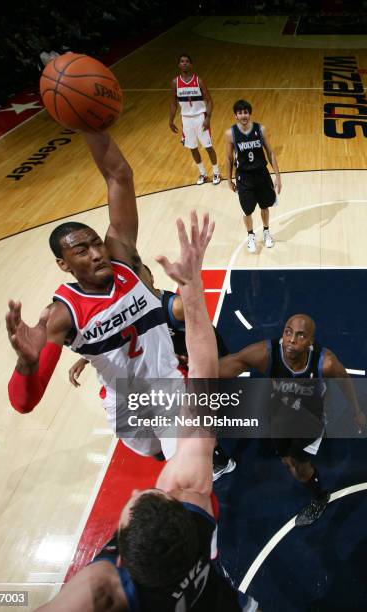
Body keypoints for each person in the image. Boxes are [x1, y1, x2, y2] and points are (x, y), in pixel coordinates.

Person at [35, 212, 259, 612]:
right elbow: (200, 363)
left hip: (168, 386)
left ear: (122, 558)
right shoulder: (195, 503)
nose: (140, 488)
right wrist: (193, 287)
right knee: (190, 434)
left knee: (213, 391)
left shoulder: (113, 589)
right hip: (160, 395)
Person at [6, 130, 183, 460]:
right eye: (81, 251)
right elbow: (24, 403)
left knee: (186, 469)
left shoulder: (125, 261)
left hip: (167, 388)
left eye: (96, 243)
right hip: (124, 401)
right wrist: (26, 364)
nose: (97, 253)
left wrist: (88, 124)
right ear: (63, 264)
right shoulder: (61, 315)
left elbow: (120, 176)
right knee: (157, 453)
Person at [68, 263, 236, 481]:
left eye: (139, 281)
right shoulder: (128, 310)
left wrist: (210, 363)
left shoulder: (174, 307)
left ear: (151, 278)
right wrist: (85, 358)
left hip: (185, 368)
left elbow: (207, 334)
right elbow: (120, 340)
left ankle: (220, 460)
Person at [219, 314, 366, 526]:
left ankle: (319, 497)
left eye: (300, 335)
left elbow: (344, 381)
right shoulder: (266, 354)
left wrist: (356, 411)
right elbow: (232, 363)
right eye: (288, 332)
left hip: (310, 421)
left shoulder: (325, 364)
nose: (291, 339)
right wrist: (192, 375)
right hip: (279, 414)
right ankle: (293, 461)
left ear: (310, 342)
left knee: (298, 466)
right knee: (286, 459)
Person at [225, 99, 282, 254]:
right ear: (235, 115)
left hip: (261, 174)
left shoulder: (260, 129)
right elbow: (229, 158)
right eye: (240, 113)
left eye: (246, 112)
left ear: (249, 113)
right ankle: (250, 236)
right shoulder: (230, 134)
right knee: (247, 210)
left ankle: (266, 231)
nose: (244, 115)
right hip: (244, 176)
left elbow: (270, 153)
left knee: (265, 206)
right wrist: (229, 180)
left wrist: (277, 176)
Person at [169, 54, 221, 186]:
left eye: (187, 61)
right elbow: (173, 103)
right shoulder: (175, 82)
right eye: (182, 61)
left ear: (191, 65)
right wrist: (170, 120)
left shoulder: (198, 81)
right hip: (186, 119)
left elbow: (209, 100)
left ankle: (216, 172)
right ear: (179, 65)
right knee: (192, 148)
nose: (184, 63)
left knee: (208, 146)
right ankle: (203, 174)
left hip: (200, 117)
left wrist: (208, 117)